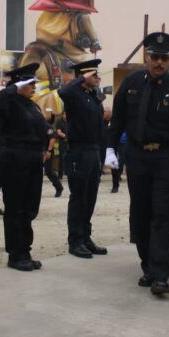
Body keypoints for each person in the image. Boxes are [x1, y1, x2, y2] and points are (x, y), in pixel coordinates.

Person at [105, 32, 169, 296]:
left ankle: (160, 276)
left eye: (164, 58)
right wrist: (110, 147)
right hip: (137, 156)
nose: (159, 63)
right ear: (146, 57)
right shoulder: (132, 82)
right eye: (155, 57)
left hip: (165, 159)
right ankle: (147, 267)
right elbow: (118, 119)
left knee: (161, 215)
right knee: (141, 214)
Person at [0, 63, 51, 272]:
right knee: (15, 207)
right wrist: (13, 86)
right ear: (19, 84)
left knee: (30, 207)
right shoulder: (10, 103)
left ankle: (25, 250)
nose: (33, 86)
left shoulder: (31, 105)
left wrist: (46, 146)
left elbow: (44, 129)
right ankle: (15, 254)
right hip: (15, 157)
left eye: (33, 82)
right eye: (29, 83)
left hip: (33, 158)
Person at [58, 58, 108, 259]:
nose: (97, 78)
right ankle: (75, 240)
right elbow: (63, 92)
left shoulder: (93, 95)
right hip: (78, 151)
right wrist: (80, 79)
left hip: (94, 150)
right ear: (84, 76)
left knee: (90, 197)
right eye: (93, 74)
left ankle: (86, 237)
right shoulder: (74, 95)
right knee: (78, 197)